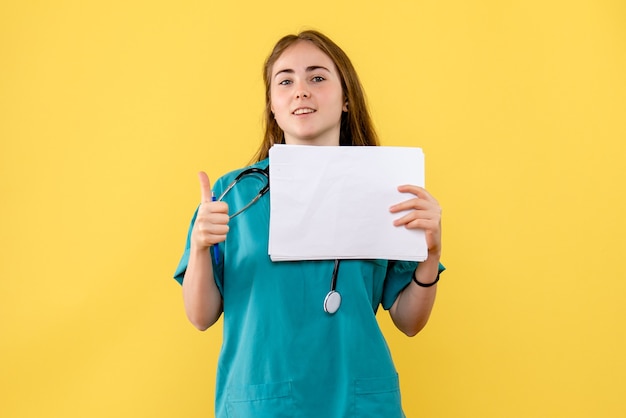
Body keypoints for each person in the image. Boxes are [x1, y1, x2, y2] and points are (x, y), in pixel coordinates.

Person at [174, 30, 445, 418]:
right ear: (272, 104)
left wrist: (431, 254)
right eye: (285, 80)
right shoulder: (232, 194)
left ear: (346, 98)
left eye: (317, 77)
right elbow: (201, 317)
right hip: (261, 403)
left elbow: (409, 321)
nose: (300, 90)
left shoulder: (388, 188)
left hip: (361, 403)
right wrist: (200, 248)